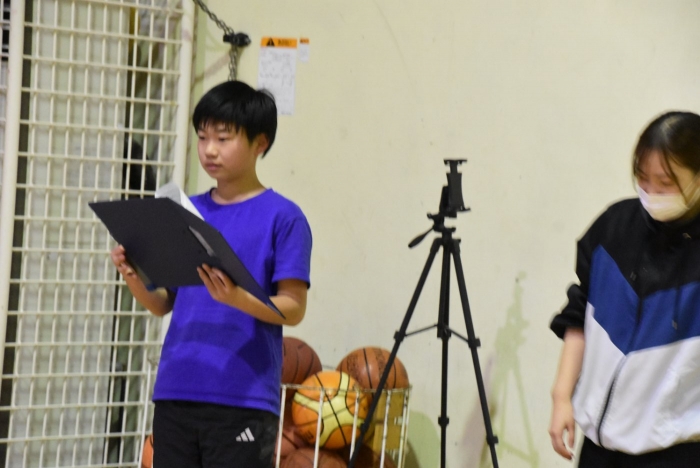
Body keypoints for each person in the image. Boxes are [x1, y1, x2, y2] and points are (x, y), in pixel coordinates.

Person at [110, 81, 312, 467]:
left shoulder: (284, 217)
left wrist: (237, 299)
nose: (209, 150)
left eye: (223, 137)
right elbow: (163, 304)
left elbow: (294, 307)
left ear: (260, 143)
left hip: (242, 396)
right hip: (176, 388)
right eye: (202, 137)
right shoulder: (185, 212)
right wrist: (133, 274)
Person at [549, 111, 700, 467]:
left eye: (666, 182)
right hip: (600, 449)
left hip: (676, 452)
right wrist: (561, 397)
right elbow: (580, 312)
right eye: (643, 178)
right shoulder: (615, 228)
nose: (651, 192)